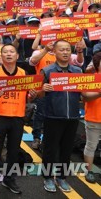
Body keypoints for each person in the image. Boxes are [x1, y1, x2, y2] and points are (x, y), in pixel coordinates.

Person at [0, 44, 38, 195]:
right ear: (1, 56)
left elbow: (28, 96)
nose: (8, 54)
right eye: (5, 52)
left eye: (11, 52)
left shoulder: (24, 73)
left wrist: (32, 95)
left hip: (17, 117)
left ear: (17, 56)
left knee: (13, 152)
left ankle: (9, 179)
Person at [38, 40, 83, 193]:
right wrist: (42, 88)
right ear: (55, 52)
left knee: (66, 149)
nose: (65, 52)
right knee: (50, 149)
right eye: (62, 50)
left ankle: (62, 177)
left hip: (73, 117)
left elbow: (83, 94)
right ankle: (48, 177)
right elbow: (36, 94)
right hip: (53, 116)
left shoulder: (78, 71)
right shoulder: (47, 71)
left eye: (67, 50)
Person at [81, 52, 101, 183]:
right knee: (91, 146)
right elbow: (85, 97)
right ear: (97, 64)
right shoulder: (90, 78)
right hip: (94, 118)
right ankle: (89, 171)